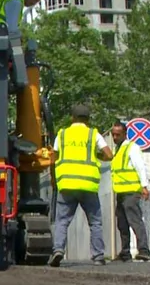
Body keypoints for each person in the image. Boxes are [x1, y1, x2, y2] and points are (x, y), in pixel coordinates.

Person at [48, 104, 113, 267]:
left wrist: (53, 179)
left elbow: (53, 159)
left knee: (62, 221)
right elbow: (109, 155)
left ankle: (58, 250)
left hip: (67, 184)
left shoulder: (62, 134)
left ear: (72, 118)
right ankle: (98, 256)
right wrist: (96, 156)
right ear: (88, 119)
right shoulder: (93, 134)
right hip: (88, 186)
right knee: (95, 222)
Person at [111, 121, 150, 262]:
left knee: (135, 221)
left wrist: (144, 186)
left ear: (125, 134)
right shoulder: (117, 149)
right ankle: (125, 252)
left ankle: (144, 251)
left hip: (131, 191)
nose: (115, 137)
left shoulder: (131, 147)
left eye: (118, 134)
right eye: (113, 134)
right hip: (121, 192)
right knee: (122, 224)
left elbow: (140, 166)